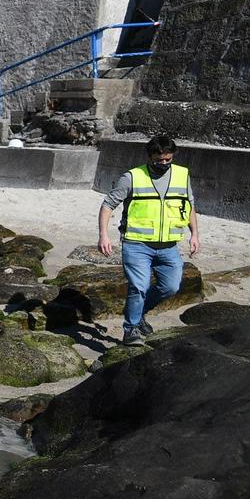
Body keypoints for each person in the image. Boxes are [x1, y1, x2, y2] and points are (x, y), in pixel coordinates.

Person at [98, 134, 200, 346]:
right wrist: (103, 235)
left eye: (167, 159)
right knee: (139, 286)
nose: (163, 163)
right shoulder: (132, 177)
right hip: (136, 244)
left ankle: (139, 311)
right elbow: (108, 205)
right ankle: (131, 328)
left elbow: (189, 206)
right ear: (149, 156)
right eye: (158, 159)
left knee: (171, 286)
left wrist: (195, 235)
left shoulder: (182, 175)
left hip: (169, 246)